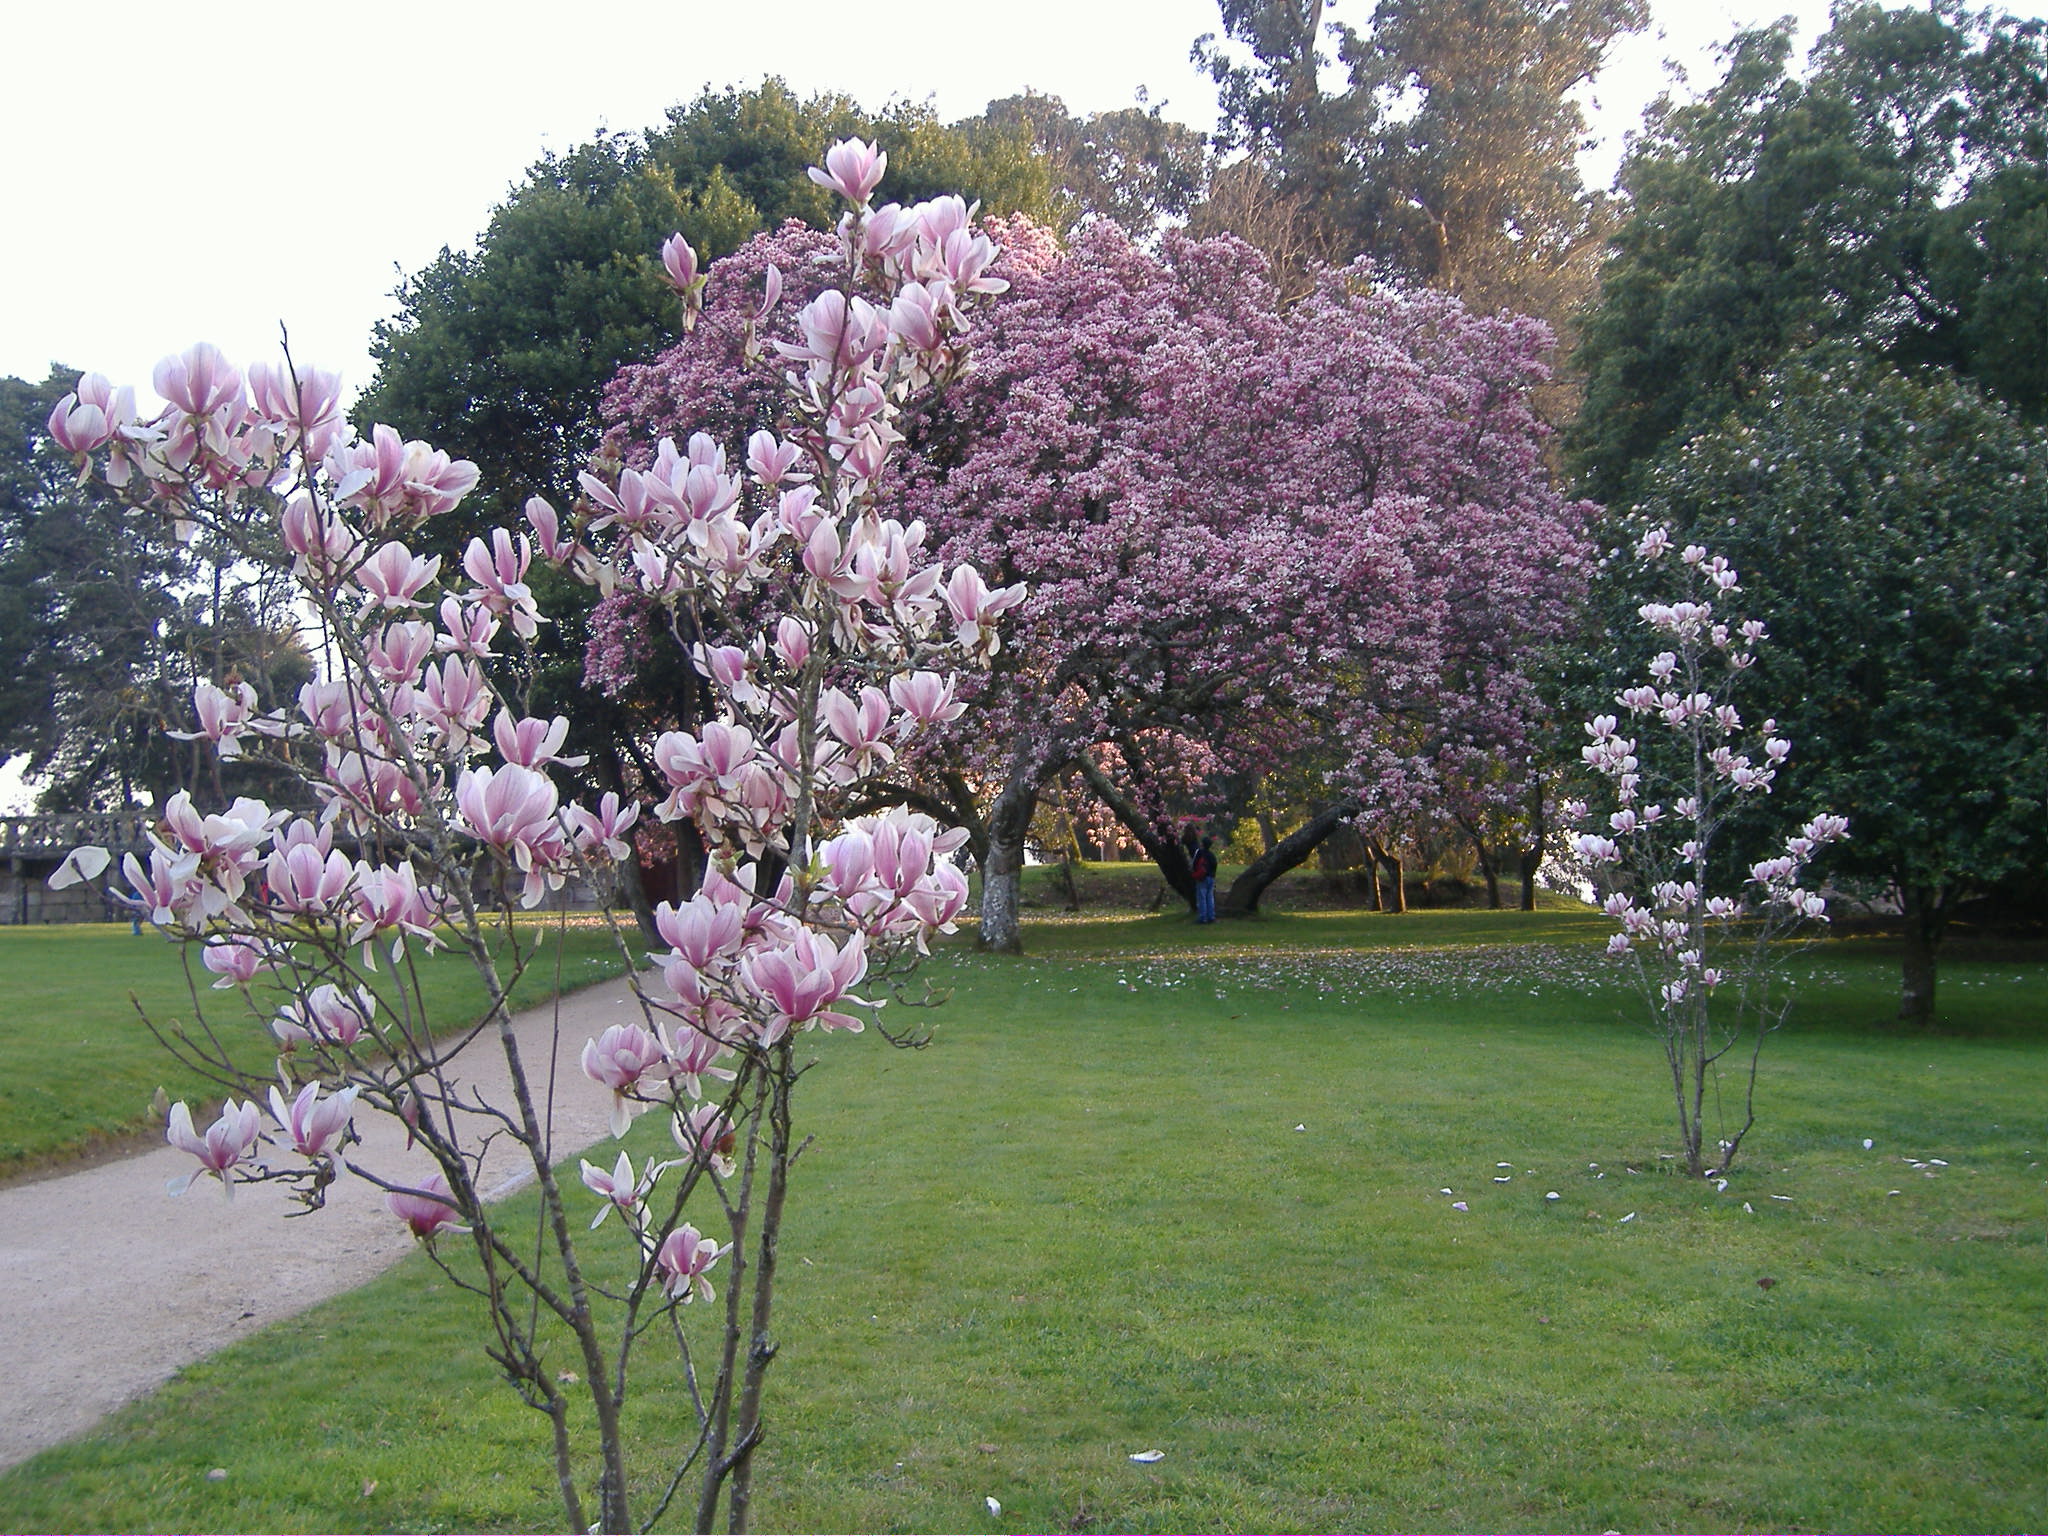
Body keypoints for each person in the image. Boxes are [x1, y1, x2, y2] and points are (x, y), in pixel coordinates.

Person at [1190, 835, 1218, 924]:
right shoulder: (1211, 855)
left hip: (1202, 877)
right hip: (1211, 877)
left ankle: (1203, 917)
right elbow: (1214, 865)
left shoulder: (1199, 853)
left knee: (1202, 898)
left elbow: (1194, 864)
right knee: (1210, 897)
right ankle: (1211, 916)